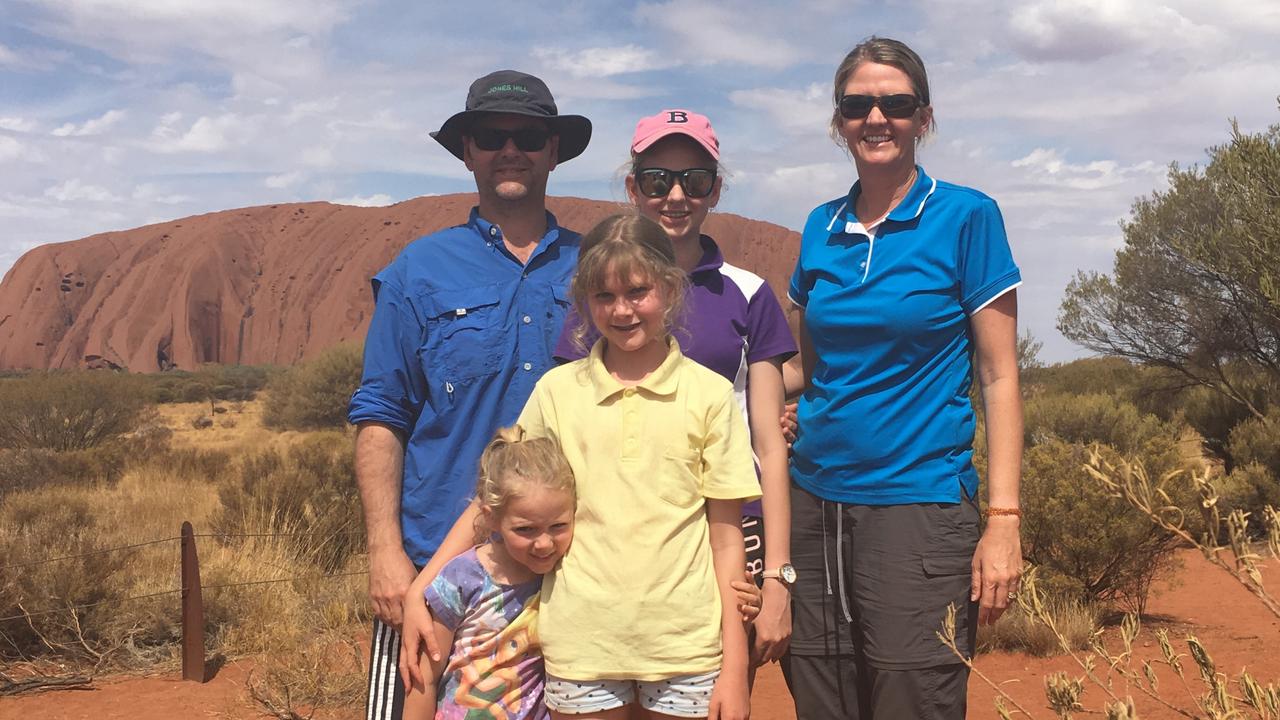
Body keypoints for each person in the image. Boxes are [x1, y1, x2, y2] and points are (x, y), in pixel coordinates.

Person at [404, 214, 759, 719]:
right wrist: (423, 588)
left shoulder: (710, 394)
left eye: (638, 292)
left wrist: (734, 667)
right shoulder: (557, 391)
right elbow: (499, 499)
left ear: (671, 289)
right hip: (580, 646)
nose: (621, 310)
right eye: (603, 296)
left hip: (687, 648)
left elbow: (726, 540)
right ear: (585, 301)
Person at [783, 37, 1025, 719]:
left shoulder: (966, 216)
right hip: (813, 505)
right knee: (823, 698)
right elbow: (808, 363)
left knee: (913, 698)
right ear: (839, 121)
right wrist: (756, 399)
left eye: (896, 103)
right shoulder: (819, 226)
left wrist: (1004, 520)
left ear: (923, 116)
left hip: (918, 504)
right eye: (858, 105)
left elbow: (1000, 376)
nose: (876, 118)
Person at [347, 69, 591, 720]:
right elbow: (381, 416)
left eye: (529, 136)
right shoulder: (417, 270)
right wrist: (385, 552)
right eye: (492, 135)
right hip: (439, 565)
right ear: (467, 150)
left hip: (568, 568)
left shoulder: (597, 268)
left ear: (554, 150)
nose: (510, 150)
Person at [553, 110, 797, 669]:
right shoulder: (601, 293)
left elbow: (768, 444)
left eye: (697, 179)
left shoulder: (747, 293)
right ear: (634, 187)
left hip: (734, 524)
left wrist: (780, 578)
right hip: (622, 532)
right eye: (659, 179)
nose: (677, 195)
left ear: (716, 188)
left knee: (717, 688)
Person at [407, 426, 575, 720]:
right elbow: (425, 678)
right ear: (491, 518)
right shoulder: (462, 576)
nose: (545, 543)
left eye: (558, 526)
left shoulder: (564, 574)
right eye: (525, 529)